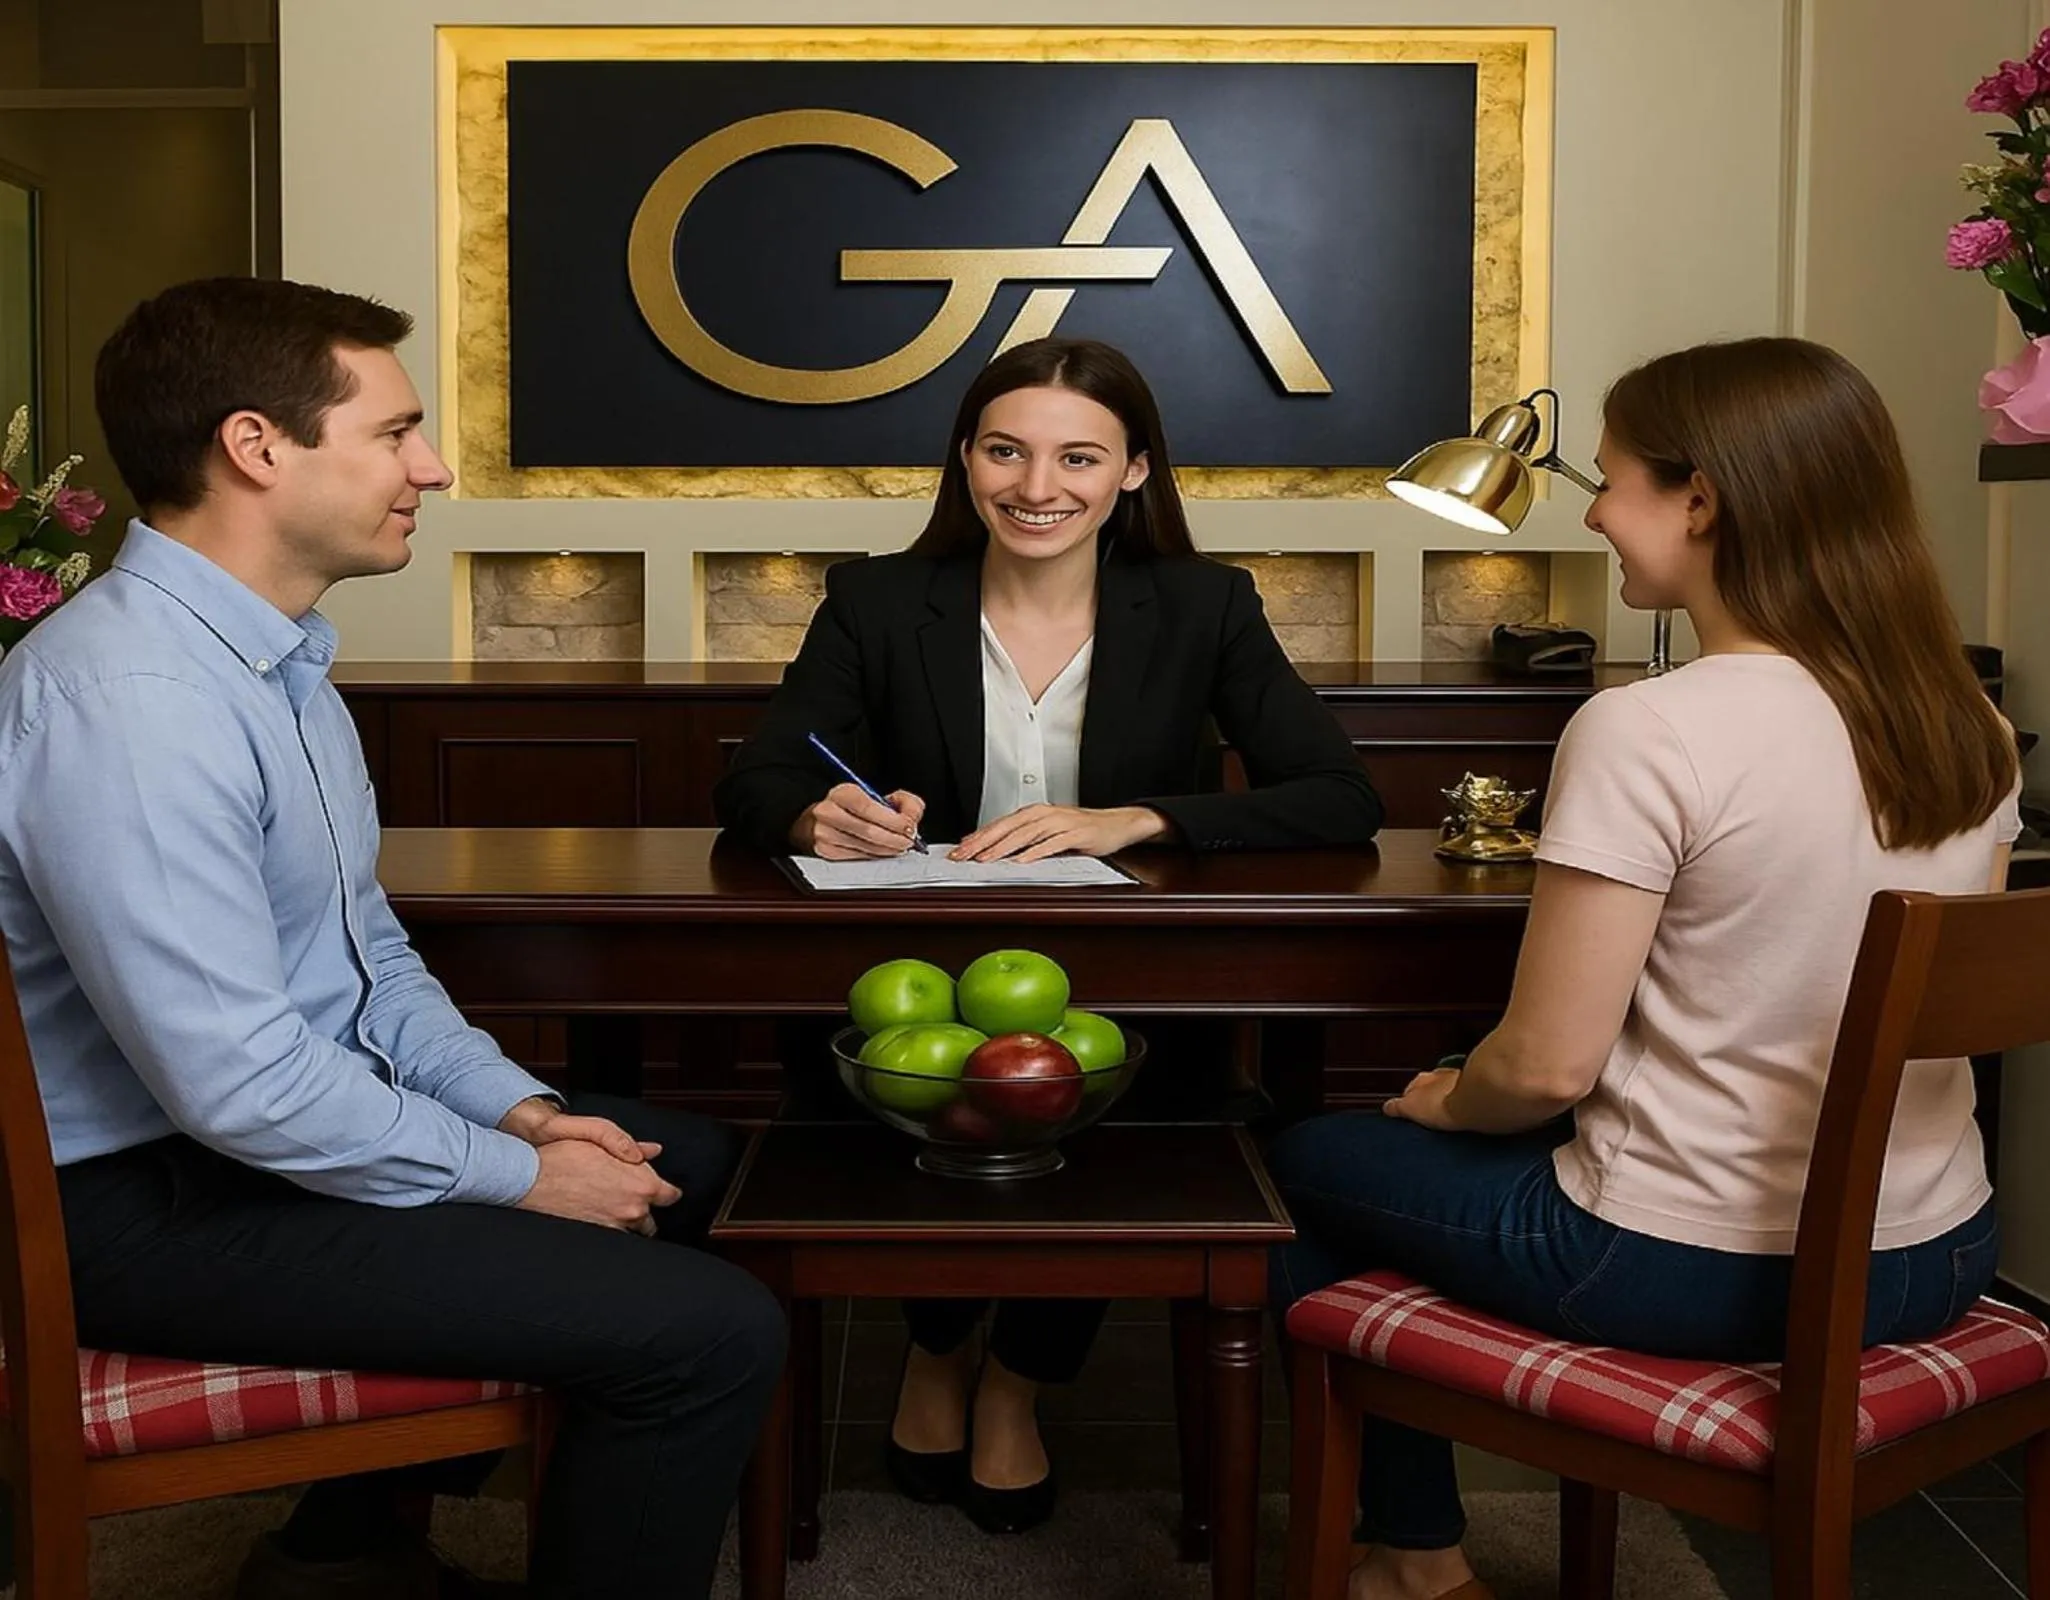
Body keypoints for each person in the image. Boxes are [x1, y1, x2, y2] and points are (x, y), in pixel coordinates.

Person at [0, 277, 785, 1600]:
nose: (433, 466)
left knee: (689, 1160)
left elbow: (371, 965)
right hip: (132, 1203)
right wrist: (513, 1176)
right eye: (394, 432)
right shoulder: (131, 702)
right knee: (709, 1336)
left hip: (223, 1154)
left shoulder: (275, 663)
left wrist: (526, 1119)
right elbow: (239, 1084)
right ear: (256, 447)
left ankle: (337, 1553)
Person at [1265, 337, 2022, 1600]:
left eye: (1612, 480)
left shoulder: (1647, 726)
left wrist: (1447, 1100)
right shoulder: (1967, 723)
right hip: (1939, 1251)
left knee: (1307, 1157)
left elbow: (1547, 1065)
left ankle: (1416, 1558)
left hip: (1684, 1269)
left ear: (1703, 499)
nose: (1598, 513)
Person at [714, 335, 1383, 1533]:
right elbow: (757, 778)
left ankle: (1019, 1376)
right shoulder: (874, 597)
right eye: (1006, 451)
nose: (1038, 486)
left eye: (1079, 456)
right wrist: (820, 809)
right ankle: (933, 1342)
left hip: (1125, 984)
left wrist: (1141, 814)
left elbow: (1338, 793)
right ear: (965, 459)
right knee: (852, 1089)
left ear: (1132, 470)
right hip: (907, 975)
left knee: (1133, 1114)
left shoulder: (1201, 602)